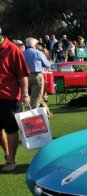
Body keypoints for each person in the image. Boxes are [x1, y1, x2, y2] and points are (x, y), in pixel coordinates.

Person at [0, 27, 30, 171]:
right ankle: (7, 154)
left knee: (11, 129)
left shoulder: (12, 49)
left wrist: (25, 94)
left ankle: (11, 160)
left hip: (10, 97)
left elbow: (23, 74)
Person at [23, 37, 52, 116]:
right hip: (37, 75)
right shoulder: (38, 53)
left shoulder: (22, 53)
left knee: (37, 95)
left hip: (27, 77)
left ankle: (47, 113)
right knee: (36, 97)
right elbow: (47, 64)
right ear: (35, 44)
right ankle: (32, 114)